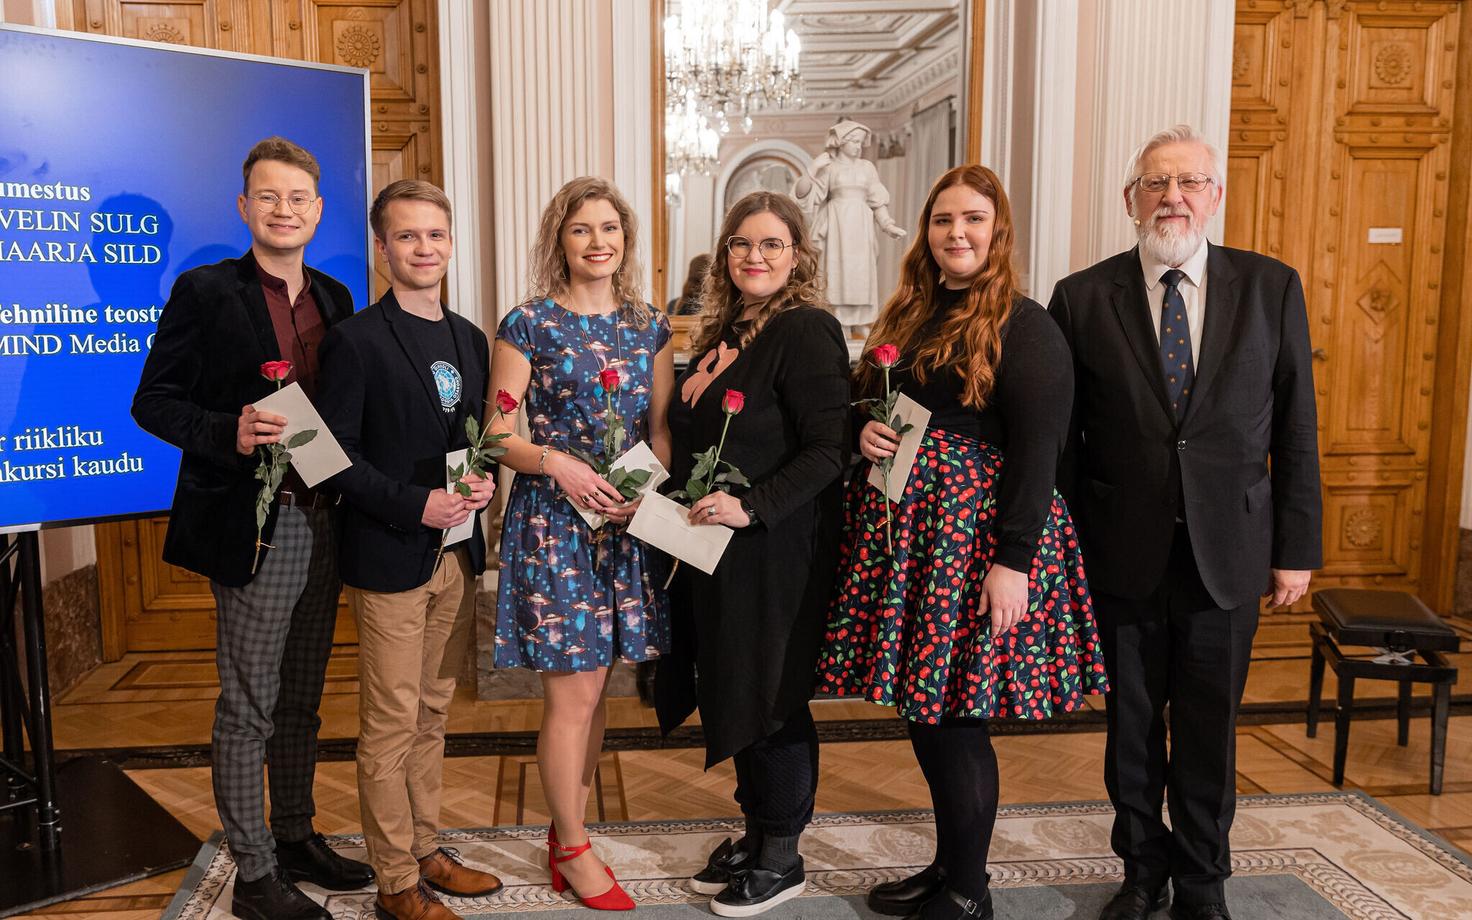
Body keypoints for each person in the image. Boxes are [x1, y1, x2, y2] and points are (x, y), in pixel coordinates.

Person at [816, 165, 1108, 920]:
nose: (957, 234)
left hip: (975, 542)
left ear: (997, 229)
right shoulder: (911, 313)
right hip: (913, 540)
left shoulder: (1025, 323)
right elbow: (870, 399)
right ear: (927, 232)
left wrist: (1013, 563)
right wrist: (861, 425)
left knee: (958, 715)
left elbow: (1041, 452)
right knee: (928, 708)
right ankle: (948, 865)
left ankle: (971, 891)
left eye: (973, 219)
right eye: (944, 220)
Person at [1048, 125, 1322, 920]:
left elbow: (1298, 427)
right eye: (1157, 184)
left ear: (1216, 196)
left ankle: (1203, 883)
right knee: (1131, 731)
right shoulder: (1082, 296)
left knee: (1208, 731)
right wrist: (1059, 556)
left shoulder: (1271, 287)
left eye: (1190, 183)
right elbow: (1065, 444)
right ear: (1130, 200)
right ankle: (1142, 872)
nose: (1173, 197)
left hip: (1230, 552)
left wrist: (1296, 549)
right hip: (1120, 553)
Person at [131, 137, 373, 920]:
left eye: (298, 198)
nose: (284, 210)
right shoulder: (205, 291)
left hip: (325, 516)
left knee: (303, 697)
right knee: (249, 704)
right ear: (244, 207)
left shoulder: (336, 298)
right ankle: (256, 873)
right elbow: (153, 401)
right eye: (268, 197)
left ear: (318, 210)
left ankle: (297, 834)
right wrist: (226, 433)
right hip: (255, 522)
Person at [656, 191, 850, 916]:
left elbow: (828, 450)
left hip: (776, 546)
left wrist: (752, 505)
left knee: (771, 697)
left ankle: (783, 852)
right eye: (741, 244)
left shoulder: (806, 330)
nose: (754, 257)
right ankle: (755, 827)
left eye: (771, 244)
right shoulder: (726, 330)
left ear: (796, 254)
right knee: (734, 685)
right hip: (716, 548)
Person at [316, 180, 501, 920]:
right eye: (407, 237)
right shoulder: (355, 340)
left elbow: (472, 439)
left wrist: (480, 481)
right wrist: (414, 502)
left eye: (436, 235)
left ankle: (426, 848)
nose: (424, 248)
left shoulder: (469, 337)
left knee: (432, 715)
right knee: (389, 726)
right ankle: (395, 882)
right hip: (390, 556)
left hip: (455, 555)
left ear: (450, 243)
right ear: (383, 247)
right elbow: (330, 459)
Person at [491, 176, 673, 910]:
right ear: (558, 241)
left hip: (624, 523)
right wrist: (559, 463)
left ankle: (572, 827)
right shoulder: (527, 324)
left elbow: (657, 431)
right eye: (581, 229)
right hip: (553, 522)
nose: (598, 242)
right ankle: (570, 846)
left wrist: (647, 489)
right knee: (572, 694)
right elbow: (498, 434)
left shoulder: (648, 326)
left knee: (599, 691)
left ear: (625, 240)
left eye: (610, 229)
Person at [792, 119, 906, 335]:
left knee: (861, 273)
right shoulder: (830, 167)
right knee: (839, 273)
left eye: (861, 142)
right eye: (854, 141)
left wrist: (888, 225)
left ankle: (862, 322)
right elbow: (804, 194)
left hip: (861, 227)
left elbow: (876, 200)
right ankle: (840, 323)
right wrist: (812, 169)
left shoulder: (867, 168)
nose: (858, 146)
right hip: (837, 226)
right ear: (841, 142)